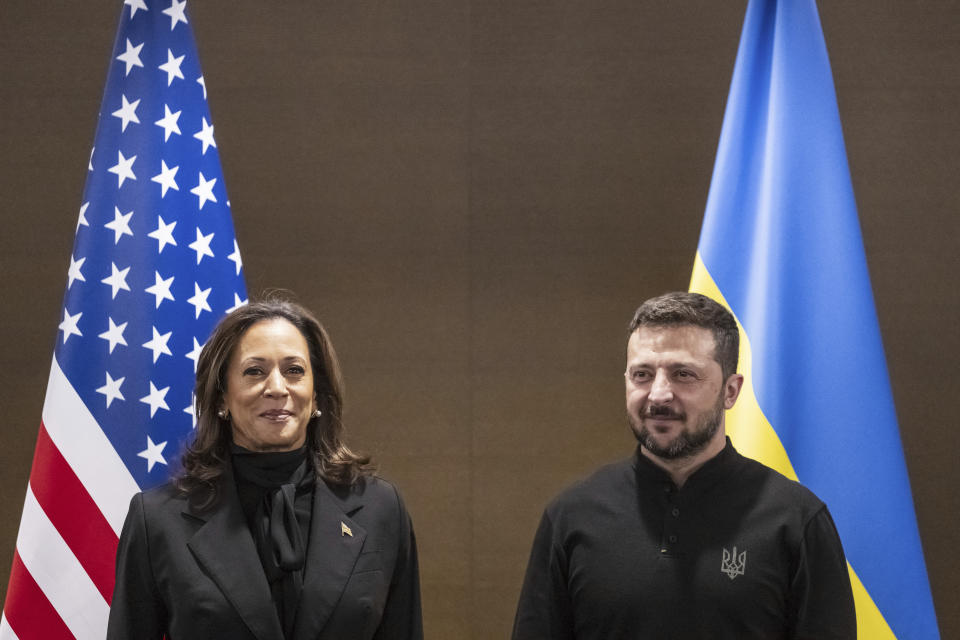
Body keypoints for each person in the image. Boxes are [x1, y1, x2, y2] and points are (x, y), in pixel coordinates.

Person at [512, 292, 855, 639]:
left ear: (730, 391)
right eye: (642, 374)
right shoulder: (571, 517)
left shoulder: (797, 520)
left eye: (683, 374)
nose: (659, 394)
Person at [107, 297, 423, 640]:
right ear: (222, 397)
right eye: (254, 371)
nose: (276, 388)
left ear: (316, 395)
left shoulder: (380, 508)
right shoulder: (157, 520)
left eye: (294, 371)